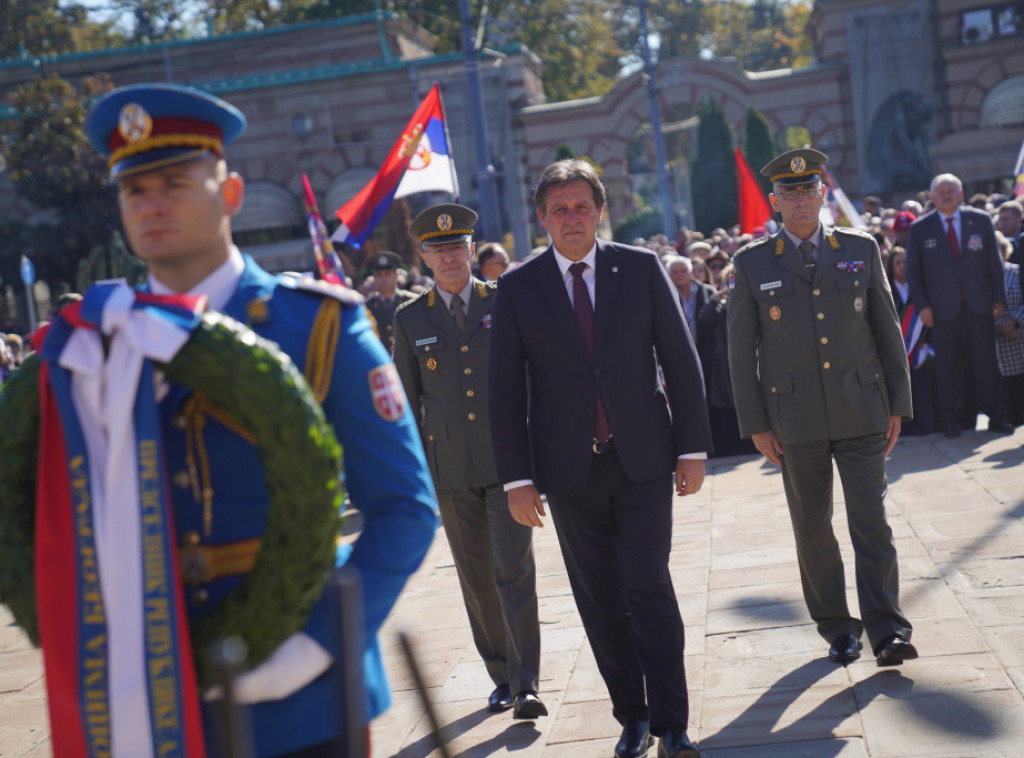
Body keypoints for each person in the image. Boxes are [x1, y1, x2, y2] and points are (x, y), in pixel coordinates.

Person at [80, 83, 437, 757]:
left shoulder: (318, 326)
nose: (152, 203)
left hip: (303, 694)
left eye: (176, 182)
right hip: (155, 694)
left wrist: (317, 644)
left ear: (232, 194)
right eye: (134, 190)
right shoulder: (96, 346)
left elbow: (404, 508)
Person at [488, 159, 711, 758]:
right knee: (602, 600)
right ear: (541, 218)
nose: (572, 218)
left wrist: (691, 449)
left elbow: (681, 360)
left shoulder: (637, 269)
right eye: (558, 209)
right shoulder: (517, 287)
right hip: (568, 473)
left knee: (649, 589)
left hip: (642, 460)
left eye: (582, 206)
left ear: (600, 210)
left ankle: (672, 724)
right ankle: (632, 717)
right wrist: (516, 480)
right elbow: (504, 391)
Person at [728, 148, 918, 669]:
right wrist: (757, 425)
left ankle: (887, 630)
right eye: (788, 192)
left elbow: (886, 330)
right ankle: (837, 628)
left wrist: (897, 404)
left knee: (871, 522)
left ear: (822, 194)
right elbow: (741, 354)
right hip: (795, 422)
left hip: (861, 410)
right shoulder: (751, 263)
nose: (800, 200)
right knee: (812, 528)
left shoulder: (860, 248)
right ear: (774, 202)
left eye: (808, 189)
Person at [392, 204, 544, 719]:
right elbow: (408, 403)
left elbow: (533, 383)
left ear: (471, 249)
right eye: (439, 250)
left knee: (514, 570)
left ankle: (527, 684)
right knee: (476, 577)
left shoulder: (504, 302)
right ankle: (500, 673)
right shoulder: (410, 318)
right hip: (451, 469)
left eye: (458, 246)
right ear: (424, 258)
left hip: (509, 466)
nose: (450, 257)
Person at [906, 173, 1011, 437]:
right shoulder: (920, 228)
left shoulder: (981, 220)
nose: (946, 196)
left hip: (979, 306)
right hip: (942, 311)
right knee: (948, 369)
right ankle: (951, 422)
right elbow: (914, 274)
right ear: (932, 198)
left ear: (961, 194)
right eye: (941, 192)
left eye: (951, 191)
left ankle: (996, 417)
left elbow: (994, 264)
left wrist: (999, 298)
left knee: (987, 365)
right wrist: (923, 307)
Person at [886, 247, 937, 435]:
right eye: (897, 263)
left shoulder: (919, 288)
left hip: (919, 351)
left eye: (905, 262)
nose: (902, 266)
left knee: (923, 391)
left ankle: (927, 427)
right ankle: (906, 430)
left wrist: (924, 341)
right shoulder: (886, 289)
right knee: (902, 395)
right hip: (897, 353)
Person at [363, 251, 416, 352]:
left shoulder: (412, 301)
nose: (383, 279)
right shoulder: (367, 307)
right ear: (374, 277)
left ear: (396, 275)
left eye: (387, 274)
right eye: (379, 275)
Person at [996, 199, 1023, 265]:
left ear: (1019, 219)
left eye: (1006, 219)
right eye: (1000, 219)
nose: (1002, 223)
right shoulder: (996, 242)